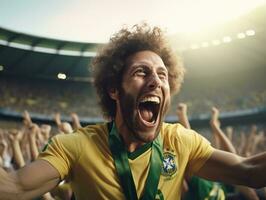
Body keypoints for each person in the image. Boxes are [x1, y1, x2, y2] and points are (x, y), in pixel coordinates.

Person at [0, 23, 266, 200]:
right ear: (114, 89)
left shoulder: (180, 141)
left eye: (163, 75)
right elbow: (14, 188)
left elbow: (248, 171)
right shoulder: (75, 147)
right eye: (142, 72)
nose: (156, 81)